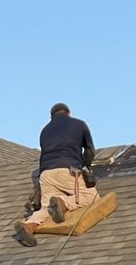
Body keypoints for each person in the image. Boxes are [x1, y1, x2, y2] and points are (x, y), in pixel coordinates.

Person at [14, 103, 98, 247]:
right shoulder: (79, 124)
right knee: (92, 197)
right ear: (68, 113)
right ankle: (64, 203)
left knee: (47, 207)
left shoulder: (44, 130)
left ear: (51, 117)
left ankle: (29, 226)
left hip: (46, 174)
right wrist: (86, 165)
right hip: (67, 169)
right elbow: (90, 150)